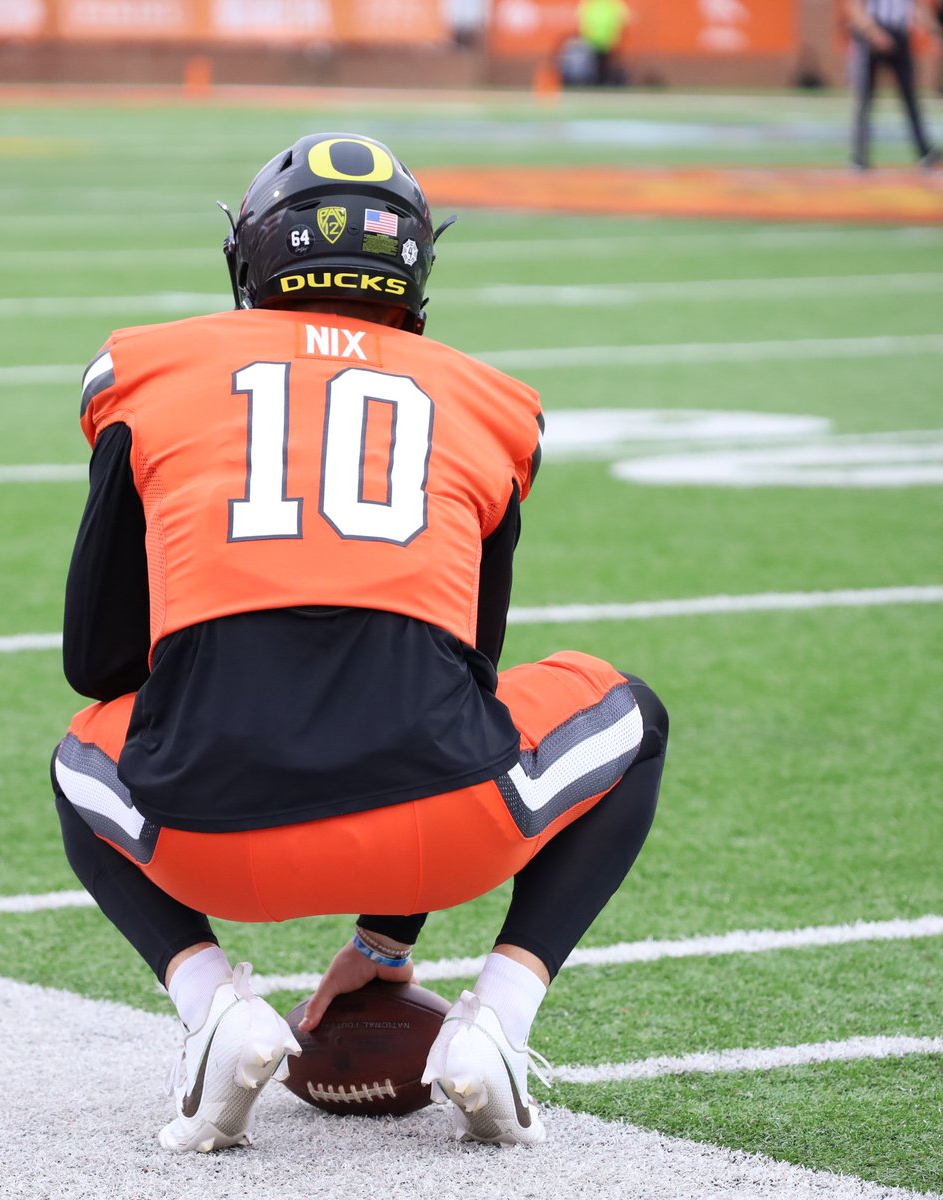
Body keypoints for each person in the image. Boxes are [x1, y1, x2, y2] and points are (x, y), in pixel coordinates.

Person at [51, 131, 669, 1153]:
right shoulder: (493, 405)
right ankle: (499, 1025)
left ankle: (213, 1006)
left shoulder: (144, 371)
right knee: (628, 717)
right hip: (440, 828)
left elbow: (99, 662)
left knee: (82, 754)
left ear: (251, 257)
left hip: (206, 845)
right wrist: (385, 942)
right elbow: (465, 682)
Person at [845, 0, 940, 169]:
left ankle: (924, 151)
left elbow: (916, 8)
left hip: (899, 35)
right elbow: (854, 7)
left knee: (910, 97)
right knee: (864, 98)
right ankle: (859, 156)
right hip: (871, 36)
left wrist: (932, 31)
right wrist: (873, 33)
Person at [577, 0, 631, 86]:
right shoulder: (613, 3)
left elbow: (582, 17)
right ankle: (601, 81)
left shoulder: (591, 3)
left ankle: (599, 81)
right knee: (602, 62)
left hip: (596, 37)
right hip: (606, 37)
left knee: (599, 62)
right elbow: (625, 17)